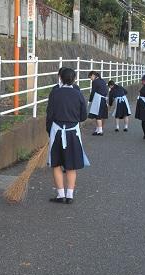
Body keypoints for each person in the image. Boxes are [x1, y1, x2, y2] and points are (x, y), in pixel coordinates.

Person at [46, 68, 89, 204]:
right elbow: (83, 116)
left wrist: (49, 131)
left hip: (57, 130)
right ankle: (70, 195)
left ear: (60, 78)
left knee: (57, 164)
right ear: (74, 78)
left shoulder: (55, 93)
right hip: (73, 131)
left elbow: (50, 114)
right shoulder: (78, 93)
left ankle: (60, 194)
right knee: (71, 165)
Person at [88, 71, 109, 136]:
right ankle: (97, 129)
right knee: (100, 114)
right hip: (103, 99)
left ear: (93, 75)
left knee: (98, 115)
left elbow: (93, 91)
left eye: (90, 77)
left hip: (98, 99)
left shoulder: (95, 82)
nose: (90, 79)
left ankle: (100, 131)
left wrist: (90, 100)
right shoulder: (102, 80)